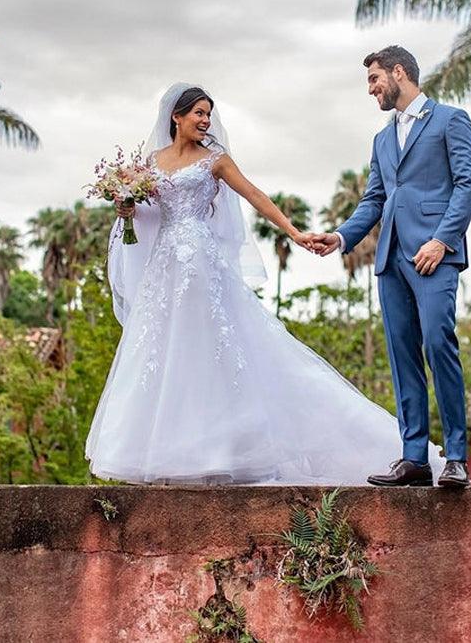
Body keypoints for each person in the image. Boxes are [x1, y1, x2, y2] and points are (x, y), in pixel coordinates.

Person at [85, 82, 444, 485]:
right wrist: (127, 209)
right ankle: (168, 456)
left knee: (207, 349)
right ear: (176, 116)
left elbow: (255, 195)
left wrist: (294, 231)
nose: (205, 121)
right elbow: (147, 215)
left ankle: (217, 453)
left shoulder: (215, 161)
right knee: (162, 352)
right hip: (163, 268)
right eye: (198, 113)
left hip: (200, 265)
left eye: (208, 114)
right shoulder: (151, 162)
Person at [313, 46, 471, 488]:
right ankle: (414, 458)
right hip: (390, 260)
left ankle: (456, 458)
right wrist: (341, 237)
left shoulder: (451, 120)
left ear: (398, 72)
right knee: (402, 356)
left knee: (439, 345)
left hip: (434, 256)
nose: (371, 89)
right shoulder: (381, 140)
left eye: (374, 79)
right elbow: (374, 200)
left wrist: (442, 241)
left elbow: (467, 185)